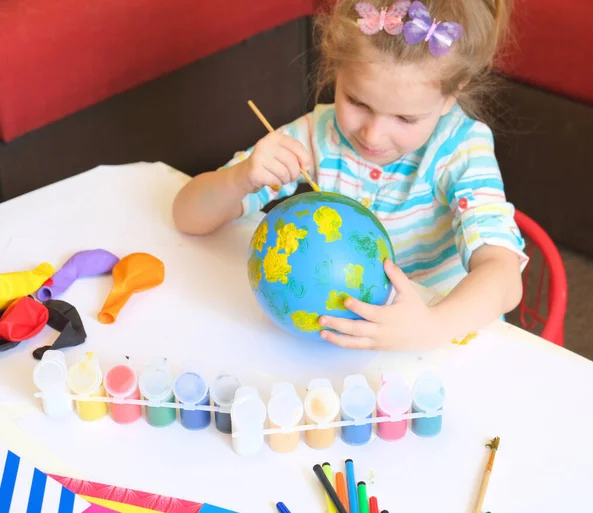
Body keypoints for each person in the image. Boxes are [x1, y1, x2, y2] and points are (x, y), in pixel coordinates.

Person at [172, 0, 528, 351]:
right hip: (334, 343)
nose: (372, 135)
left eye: (405, 119)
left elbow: (503, 275)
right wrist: (242, 178)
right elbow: (186, 216)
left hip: (441, 337)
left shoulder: (461, 150)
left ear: (453, 93)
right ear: (336, 67)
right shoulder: (316, 135)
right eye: (357, 101)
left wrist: (431, 326)